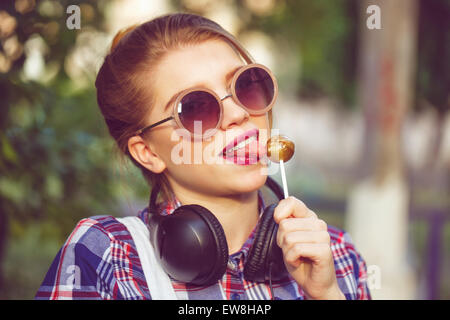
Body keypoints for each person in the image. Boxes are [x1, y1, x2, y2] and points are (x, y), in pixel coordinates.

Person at [35, 13, 371, 300]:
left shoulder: (335, 253)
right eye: (195, 107)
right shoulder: (108, 255)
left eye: (245, 85)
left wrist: (325, 294)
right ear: (148, 152)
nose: (238, 113)